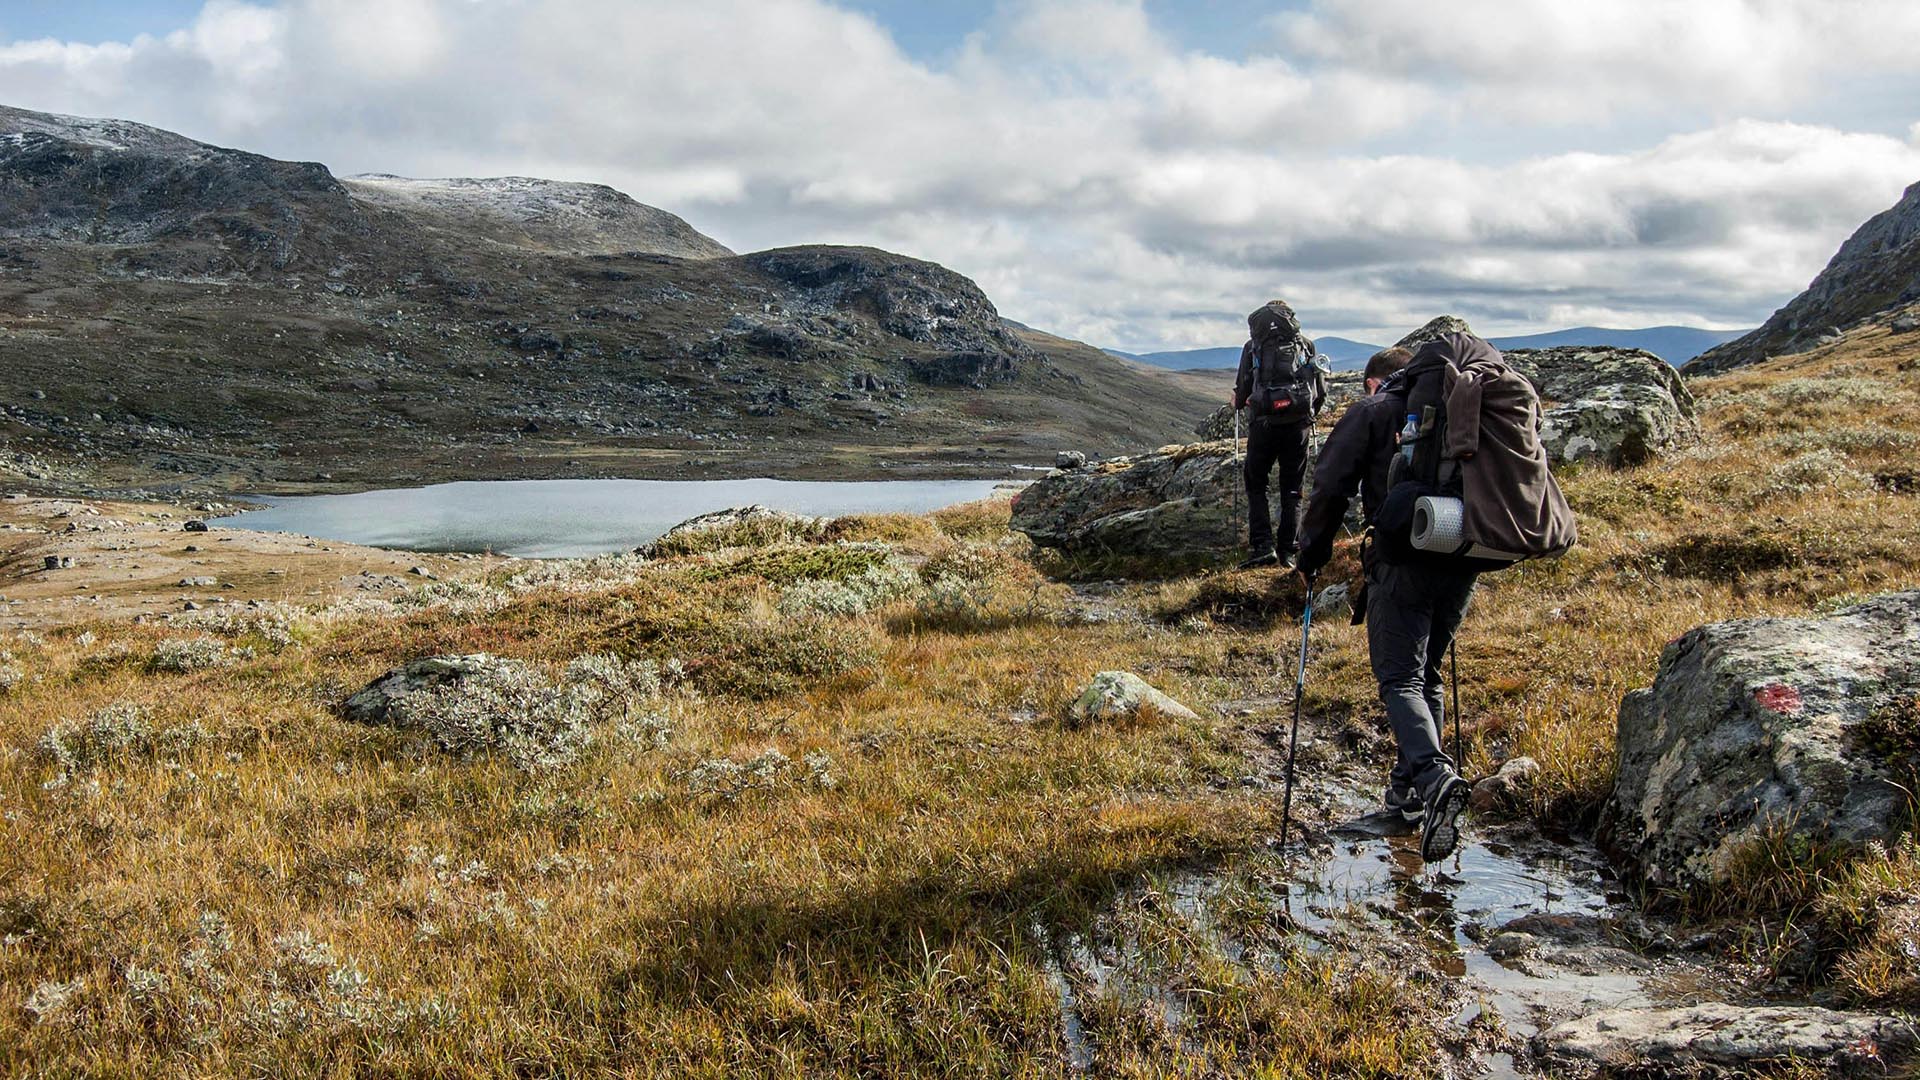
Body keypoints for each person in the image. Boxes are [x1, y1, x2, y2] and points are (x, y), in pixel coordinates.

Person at [1293, 341, 1475, 863]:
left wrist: (1311, 556)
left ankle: (1434, 779)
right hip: (1464, 552)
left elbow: (1329, 488)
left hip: (1404, 558)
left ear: (1376, 382)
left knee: (1400, 677)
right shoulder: (1463, 405)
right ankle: (1409, 797)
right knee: (1426, 673)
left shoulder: (1373, 410)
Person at [1231, 300, 1327, 570]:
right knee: (1293, 489)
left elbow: (1242, 392)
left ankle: (1262, 546)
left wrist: (1237, 402)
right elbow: (1319, 390)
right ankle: (1289, 552)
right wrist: (1309, 416)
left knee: (1256, 483)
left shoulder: (1253, 347)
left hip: (1264, 426)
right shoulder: (1305, 344)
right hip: (1298, 426)